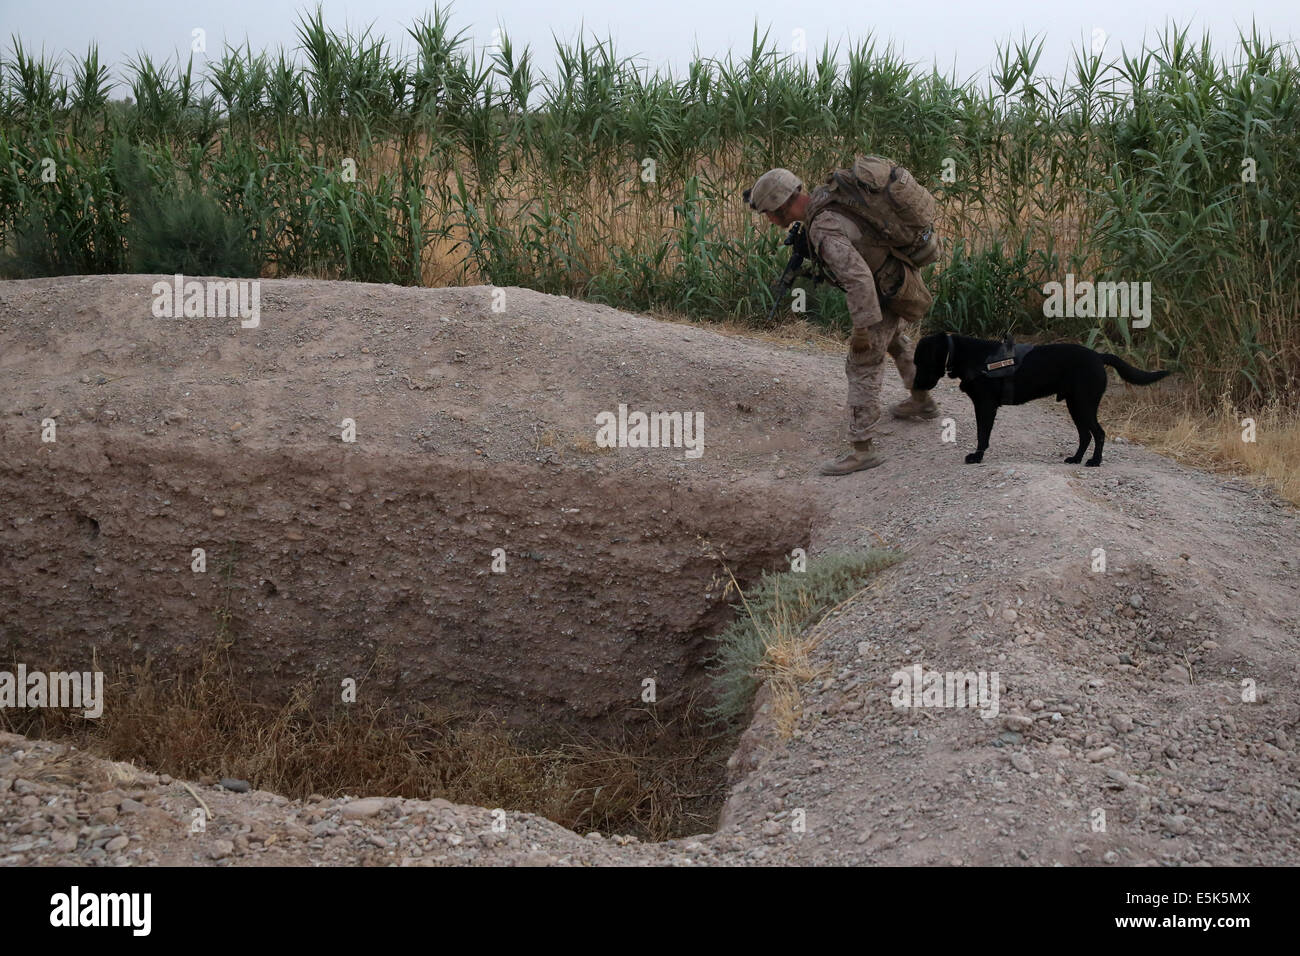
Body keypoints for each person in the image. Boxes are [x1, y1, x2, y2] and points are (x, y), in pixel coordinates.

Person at [748, 167, 938, 475]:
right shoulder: (824, 199)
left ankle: (862, 449)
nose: (770, 219)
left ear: (783, 203)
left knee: (862, 362)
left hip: (883, 287)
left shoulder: (823, 226)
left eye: (770, 212)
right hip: (892, 276)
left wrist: (861, 329)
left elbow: (859, 280)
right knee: (892, 339)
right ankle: (922, 399)